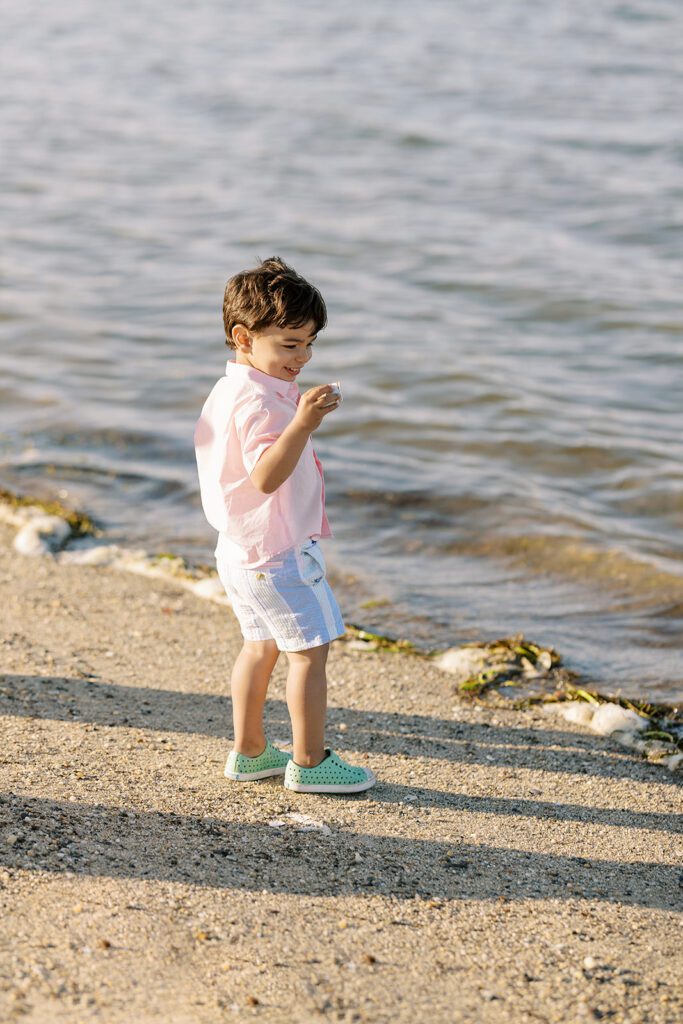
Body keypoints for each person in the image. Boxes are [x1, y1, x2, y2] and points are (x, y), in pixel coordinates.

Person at [194, 257, 376, 794]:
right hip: (277, 553)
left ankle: (250, 752)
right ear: (243, 337)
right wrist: (302, 421)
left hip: (239, 547)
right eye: (290, 345)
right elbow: (267, 475)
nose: (303, 358)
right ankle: (310, 762)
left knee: (260, 647)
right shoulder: (264, 405)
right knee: (309, 652)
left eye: (310, 344)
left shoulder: (230, 389)